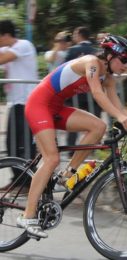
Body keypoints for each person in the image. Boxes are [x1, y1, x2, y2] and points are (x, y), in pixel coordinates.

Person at [18, 34, 127, 238]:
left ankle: (67, 175)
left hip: (56, 108)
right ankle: (28, 216)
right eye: (124, 60)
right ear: (110, 56)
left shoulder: (108, 78)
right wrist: (118, 116)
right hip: (39, 105)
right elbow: (97, 94)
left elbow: (120, 109)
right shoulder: (91, 63)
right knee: (51, 158)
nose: (126, 66)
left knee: (98, 127)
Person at [0, 20, 37, 192]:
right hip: (16, 103)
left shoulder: (24, 45)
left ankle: (28, 181)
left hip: (29, 102)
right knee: (11, 144)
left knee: (25, 145)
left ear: (6, 35)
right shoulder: (7, 48)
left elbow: (4, 58)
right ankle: (17, 180)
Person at [65, 26, 101, 151]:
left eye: (75, 33)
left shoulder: (72, 51)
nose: (73, 36)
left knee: (74, 122)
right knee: (95, 121)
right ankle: (93, 148)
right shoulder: (95, 50)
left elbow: (64, 68)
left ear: (80, 35)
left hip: (76, 94)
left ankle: (71, 150)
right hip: (92, 92)